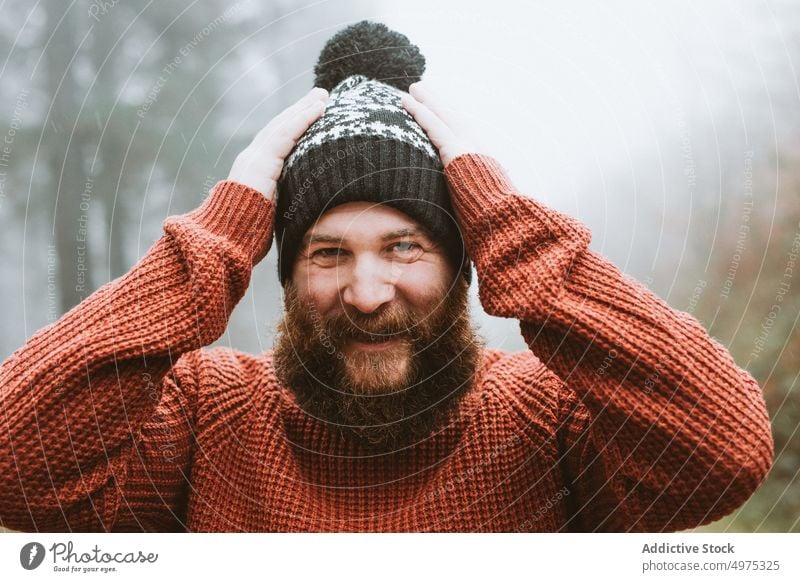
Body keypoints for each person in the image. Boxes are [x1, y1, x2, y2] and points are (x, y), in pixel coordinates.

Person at [0, 21, 773, 533]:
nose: (367, 295)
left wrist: (507, 223)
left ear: (464, 259)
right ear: (284, 267)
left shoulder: (548, 415)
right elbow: (13, 468)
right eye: (328, 253)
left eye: (405, 247)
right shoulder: (206, 414)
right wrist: (215, 234)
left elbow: (725, 451)